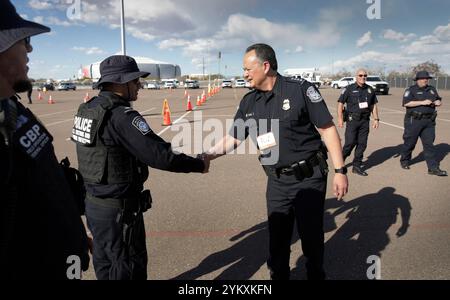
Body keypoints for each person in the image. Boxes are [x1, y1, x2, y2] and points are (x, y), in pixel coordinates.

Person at [203, 44, 348, 280]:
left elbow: (328, 129)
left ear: (265, 66)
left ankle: (315, 275)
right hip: (277, 181)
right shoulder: (249, 102)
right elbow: (233, 138)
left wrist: (340, 170)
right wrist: (207, 155)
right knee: (277, 240)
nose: (245, 74)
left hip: (309, 178)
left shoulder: (300, 90)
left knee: (311, 238)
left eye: (248, 69)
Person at [72, 55, 209, 280]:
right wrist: (198, 164)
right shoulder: (122, 116)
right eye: (135, 81)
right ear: (119, 82)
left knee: (105, 264)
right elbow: (160, 155)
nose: (140, 85)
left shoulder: (87, 109)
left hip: (95, 207)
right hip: (120, 212)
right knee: (128, 267)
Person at [0, 0, 90, 279]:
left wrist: (73, 233)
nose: (30, 48)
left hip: (62, 256)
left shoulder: (12, 108)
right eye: (24, 40)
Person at [400, 71, 447, 176]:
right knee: (410, 143)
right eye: (423, 78)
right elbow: (406, 103)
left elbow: (438, 99)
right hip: (414, 121)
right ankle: (405, 160)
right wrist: (422, 102)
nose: (425, 80)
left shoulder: (432, 89)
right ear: (417, 80)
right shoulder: (410, 90)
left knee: (429, 144)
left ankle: (433, 168)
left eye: (427, 78)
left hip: (429, 122)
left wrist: (438, 102)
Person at [337, 69, 380, 176]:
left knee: (362, 144)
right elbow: (340, 104)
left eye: (365, 75)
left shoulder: (370, 89)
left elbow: (373, 105)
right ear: (356, 76)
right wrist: (340, 119)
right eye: (360, 75)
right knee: (350, 143)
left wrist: (376, 119)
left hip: (365, 121)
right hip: (352, 120)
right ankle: (340, 161)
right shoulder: (349, 89)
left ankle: (356, 166)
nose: (363, 77)